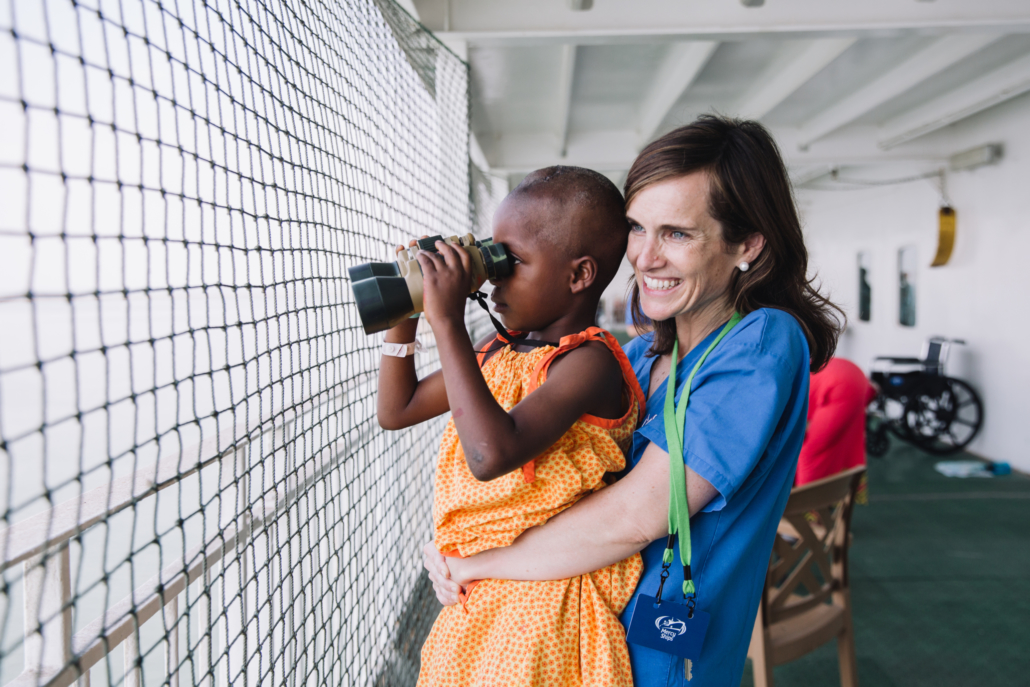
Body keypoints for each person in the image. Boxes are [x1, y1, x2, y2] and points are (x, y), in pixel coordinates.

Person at [424, 115, 844, 687]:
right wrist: (454, 548)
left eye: (676, 233)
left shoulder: (761, 344)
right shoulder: (639, 357)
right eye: (636, 228)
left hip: (656, 664)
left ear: (747, 243)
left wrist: (476, 564)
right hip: (559, 646)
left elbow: (636, 515)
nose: (644, 258)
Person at [377, 166, 646, 686]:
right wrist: (408, 305)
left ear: (579, 275)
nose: (493, 276)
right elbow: (398, 409)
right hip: (481, 590)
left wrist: (449, 319)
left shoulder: (589, 363)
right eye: (490, 256)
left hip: (545, 601)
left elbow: (490, 455)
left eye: (510, 261)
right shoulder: (498, 351)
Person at [796, 357, 876, 500]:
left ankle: (807, 511)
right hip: (851, 372)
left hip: (841, 385)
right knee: (842, 443)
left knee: (809, 454)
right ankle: (832, 494)